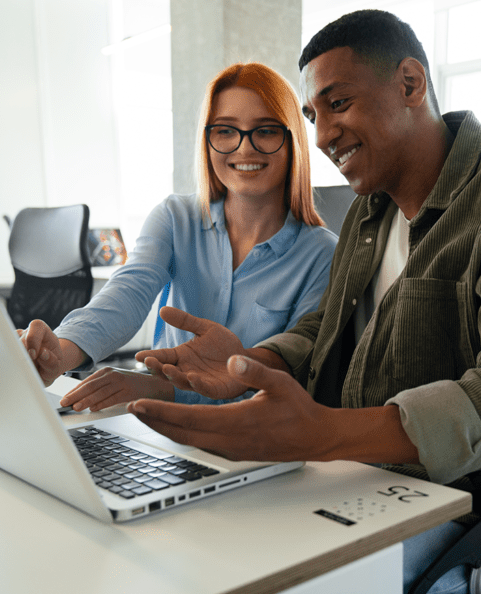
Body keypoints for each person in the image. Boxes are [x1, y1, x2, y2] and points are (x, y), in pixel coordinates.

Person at [128, 9, 481, 594]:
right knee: (198, 556)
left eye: (339, 103)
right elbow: (321, 334)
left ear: (411, 85)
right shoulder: (368, 213)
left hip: (464, 499)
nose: (323, 134)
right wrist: (250, 361)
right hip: (358, 475)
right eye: (313, 115)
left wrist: (326, 436)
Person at [19, 62, 337, 412]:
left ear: (292, 141)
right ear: (208, 140)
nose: (245, 148)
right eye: (226, 131)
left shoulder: (322, 255)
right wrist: (57, 354)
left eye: (265, 131)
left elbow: (293, 379)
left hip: (253, 439)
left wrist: (163, 390)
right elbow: (127, 295)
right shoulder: (175, 218)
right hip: (163, 432)